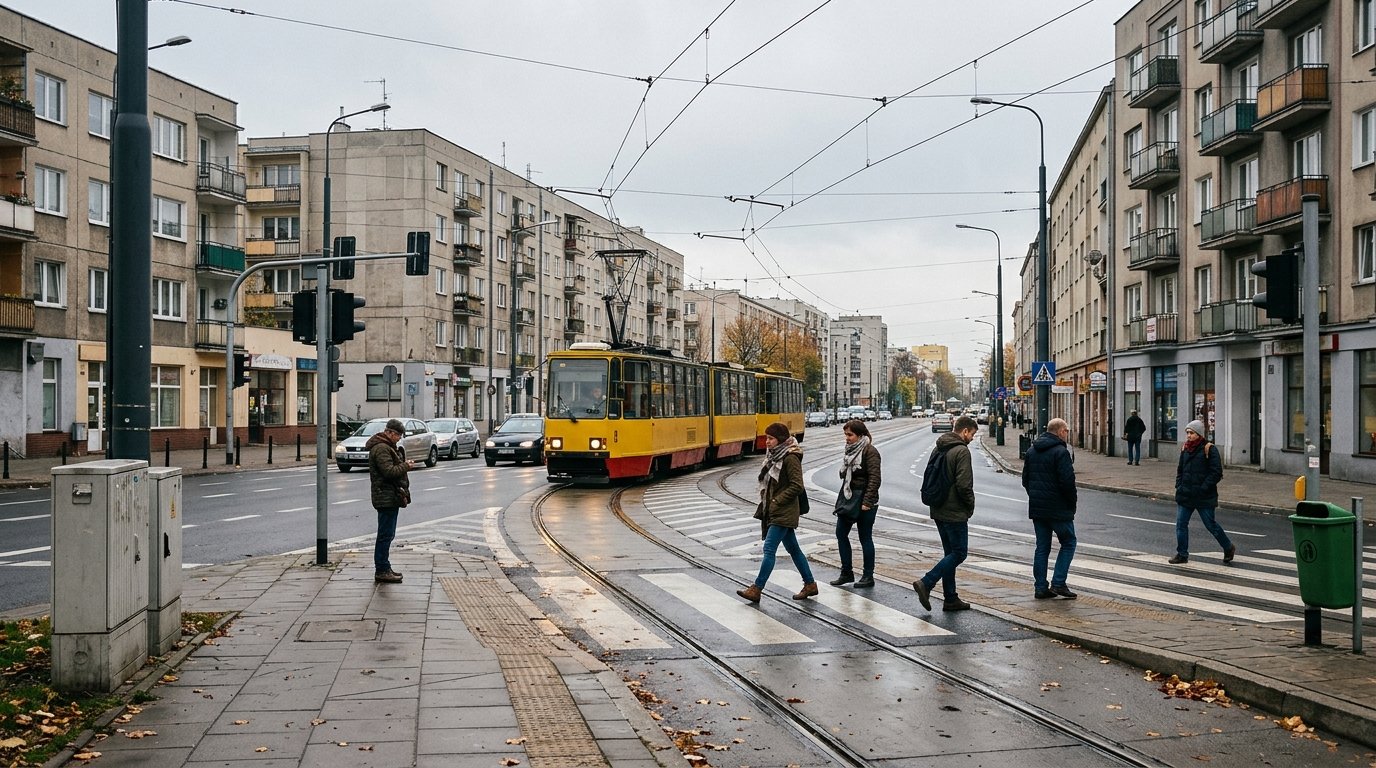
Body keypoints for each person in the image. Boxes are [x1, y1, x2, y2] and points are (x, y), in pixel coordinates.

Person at [738, 422, 817, 602]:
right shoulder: (774, 457)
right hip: (776, 510)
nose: (767, 442)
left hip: (784, 510)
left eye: (771, 438)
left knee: (769, 549)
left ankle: (757, 588)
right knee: (794, 549)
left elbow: (797, 486)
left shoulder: (790, 458)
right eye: (767, 438)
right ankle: (810, 584)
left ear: (780, 439)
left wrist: (776, 501)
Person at [912, 415, 978, 612]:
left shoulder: (939, 447)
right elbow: (964, 485)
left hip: (938, 507)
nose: (972, 438)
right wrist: (970, 505)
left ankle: (950, 598)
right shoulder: (961, 451)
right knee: (959, 553)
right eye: (972, 434)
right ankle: (927, 582)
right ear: (964, 431)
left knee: (950, 553)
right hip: (954, 510)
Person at [1023, 417, 1078, 599]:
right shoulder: (1061, 452)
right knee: (1069, 542)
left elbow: (1025, 480)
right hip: (1058, 508)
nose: (1067, 434)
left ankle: (1040, 587)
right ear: (1061, 431)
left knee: (1042, 547)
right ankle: (1058, 583)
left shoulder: (1031, 451)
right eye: (1067, 431)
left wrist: (1036, 496)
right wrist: (1071, 504)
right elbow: (1067, 482)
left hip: (1038, 508)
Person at [1170, 419, 1234, 565]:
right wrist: (1179, 485)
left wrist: (1203, 488)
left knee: (1210, 525)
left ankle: (1228, 547)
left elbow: (1216, 472)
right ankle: (1182, 554)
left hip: (1204, 496)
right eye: (1187, 433)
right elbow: (1180, 470)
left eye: (1191, 433)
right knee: (1181, 524)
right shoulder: (1185, 448)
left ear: (1199, 434)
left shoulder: (1209, 449)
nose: (1189, 436)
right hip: (1185, 494)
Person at [830, 419, 882, 588]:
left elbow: (875, 478)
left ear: (860, 435)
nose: (847, 438)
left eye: (850, 435)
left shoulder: (870, 451)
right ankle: (846, 572)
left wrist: (867, 502)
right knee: (840, 534)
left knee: (865, 537)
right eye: (845, 434)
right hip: (849, 498)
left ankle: (868, 576)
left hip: (865, 501)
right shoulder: (850, 450)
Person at [368, 418, 413, 584]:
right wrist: (406, 466)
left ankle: (384, 567)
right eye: (398, 435)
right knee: (385, 535)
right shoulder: (381, 448)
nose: (399, 438)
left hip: (390, 496)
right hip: (385, 496)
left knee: (387, 534)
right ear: (389, 433)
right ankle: (382, 569)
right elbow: (388, 471)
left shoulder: (388, 447)